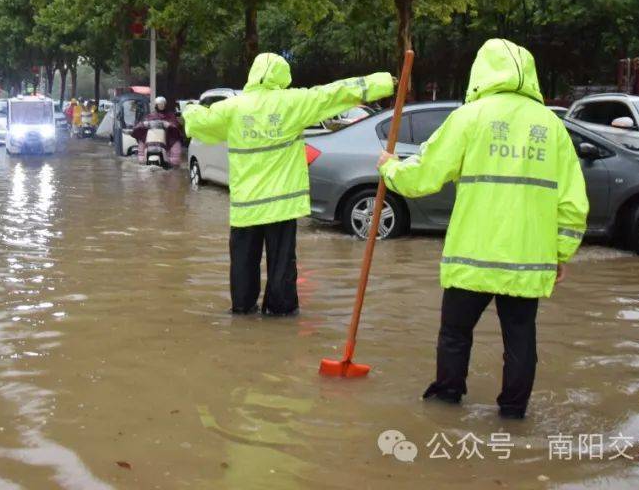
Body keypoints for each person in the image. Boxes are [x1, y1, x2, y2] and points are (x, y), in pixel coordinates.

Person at [377, 39, 588, 419]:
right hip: (527, 258)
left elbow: (424, 175)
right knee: (520, 339)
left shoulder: (469, 118)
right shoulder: (551, 126)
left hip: (471, 257)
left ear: (481, 71)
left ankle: (445, 401)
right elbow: (573, 203)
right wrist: (560, 253)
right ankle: (513, 414)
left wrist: (389, 167)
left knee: (455, 334)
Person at [184, 53, 394, 315]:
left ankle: (242, 309)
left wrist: (190, 108)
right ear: (283, 75)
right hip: (281, 205)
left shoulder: (233, 108)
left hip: (246, 205)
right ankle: (280, 312)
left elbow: (198, 123)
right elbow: (335, 93)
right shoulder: (293, 102)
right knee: (282, 262)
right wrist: (384, 82)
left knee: (242, 262)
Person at [132, 96, 184, 165]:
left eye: (163, 104)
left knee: (175, 141)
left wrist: (169, 124)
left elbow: (176, 125)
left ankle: (173, 161)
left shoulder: (170, 115)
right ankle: (142, 158)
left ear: (165, 105)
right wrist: (143, 124)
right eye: (159, 104)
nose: (161, 105)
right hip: (153, 137)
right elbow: (143, 122)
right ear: (156, 105)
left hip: (168, 136)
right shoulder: (151, 115)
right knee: (142, 139)